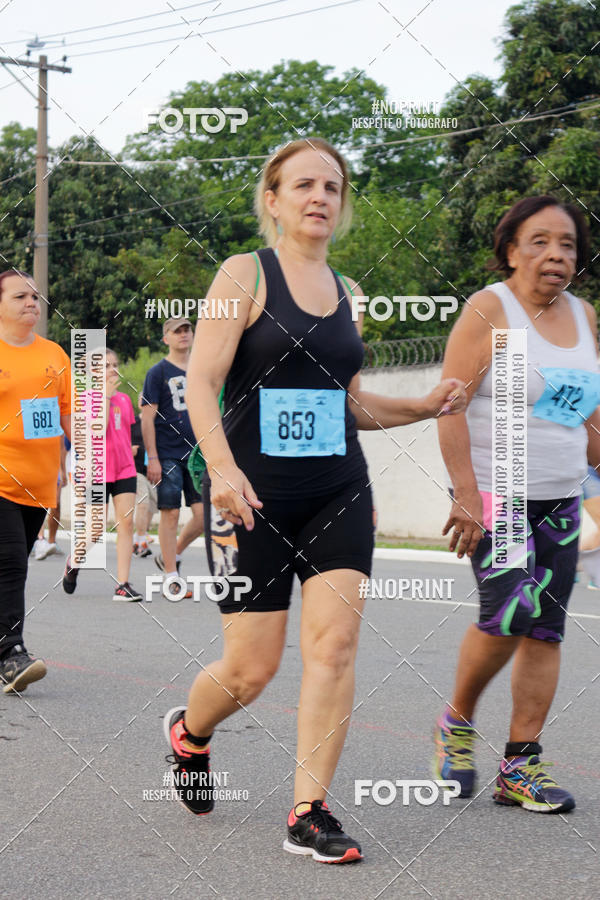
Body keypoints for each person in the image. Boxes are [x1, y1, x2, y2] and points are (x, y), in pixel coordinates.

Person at [162, 137, 467, 862]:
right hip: (251, 497)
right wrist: (224, 472)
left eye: (332, 187)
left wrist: (422, 405)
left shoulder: (348, 293)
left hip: (337, 489)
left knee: (333, 648)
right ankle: (189, 735)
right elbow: (202, 383)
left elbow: (347, 405)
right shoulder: (244, 274)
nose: (320, 198)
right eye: (303, 185)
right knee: (252, 670)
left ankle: (309, 812)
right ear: (273, 199)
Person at [434, 195, 598, 814]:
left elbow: (586, 412)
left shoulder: (583, 316)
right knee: (509, 614)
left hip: (561, 492)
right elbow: (451, 404)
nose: (555, 254)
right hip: (498, 492)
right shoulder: (490, 309)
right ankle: (456, 722)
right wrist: (467, 494)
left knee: (546, 631)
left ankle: (520, 765)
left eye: (567, 244)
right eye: (539, 241)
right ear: (511, 249)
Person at [0, 269, 71, 692]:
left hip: (40, 484)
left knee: (11, 565)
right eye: (20, 296)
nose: (32, 302)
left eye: (35, 296)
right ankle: (12, 654)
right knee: (10, 564)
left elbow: (68, 414)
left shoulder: (55, 353)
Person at [62, 349, 143, 602]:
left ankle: (123, 583)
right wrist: (105, 396)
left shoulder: (124, 400)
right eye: (106, 366)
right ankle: (73, 561)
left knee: (126, 523)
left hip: (124, 469)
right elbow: (98, 429)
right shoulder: (85, 399)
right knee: (96, 528)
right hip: (96, 470)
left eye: (115, 364)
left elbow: (125, 432)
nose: (112, 370)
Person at [141, 318, 205, 598]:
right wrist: (152, 457)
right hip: (167, 452)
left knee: (204, 515)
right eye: (176, 331)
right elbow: (146, 419)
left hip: (198, 453)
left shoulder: (203, 368)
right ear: (165, 338)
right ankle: (171, 577)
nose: (183, 334)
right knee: (171, 512)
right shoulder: (158, 372)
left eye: (187, 329)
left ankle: (171, 555)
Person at [32, 435, 67, 559]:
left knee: (55, 503)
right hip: (34, 463)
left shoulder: (58, 421)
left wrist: (63, 469)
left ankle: (51, 541)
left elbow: (62, 446)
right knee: (38, 502)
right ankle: (40, 540)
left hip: (52, 465)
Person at [131, 393, 156, 558]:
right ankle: (140, 541)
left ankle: (138, 539)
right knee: (143, 503)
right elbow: (122, 439)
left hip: (154, 472)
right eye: (143, 398)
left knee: (152, 507)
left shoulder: (158, 422)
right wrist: (128, 449)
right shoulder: (133, 422)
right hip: (136, 469)